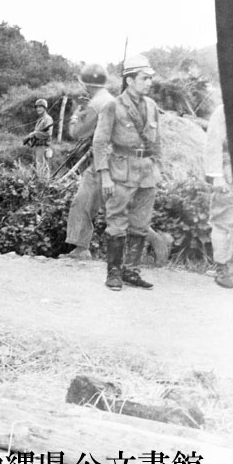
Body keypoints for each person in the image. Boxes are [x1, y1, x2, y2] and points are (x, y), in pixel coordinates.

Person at [93, 53, 161, 290]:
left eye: (150, 78)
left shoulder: (152, 106)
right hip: (120, 170)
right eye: (144, 78)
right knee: (116, 222)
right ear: (130, 80)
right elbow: (100, 143)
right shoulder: (113, 105)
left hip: (146, 173)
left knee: (141, 224)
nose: (149, 82)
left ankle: (131, 270)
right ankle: (113, 272)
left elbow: (156, 141)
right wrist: (104, 175)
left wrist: (157, 167)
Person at [63, 64, 116, 260]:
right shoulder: (110, 98)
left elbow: (77, 132)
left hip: (102, 160)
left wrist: (77, 114)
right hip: (116, 159)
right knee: (119, 206)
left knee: (82, 201)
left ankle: (81, 248)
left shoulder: (95, 104)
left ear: (86, 84)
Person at [204, 104, 233, 289]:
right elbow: (213, 143)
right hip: (229, 172)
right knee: (222, 222)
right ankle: (222, 267)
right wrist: (217, 176)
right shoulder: (224, 110)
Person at [25, 99, 53, 178]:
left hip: (43, 147)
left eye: (40, 107)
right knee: (36, 168)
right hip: (37, 147)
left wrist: (35, 134)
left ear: (45, 108)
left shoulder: (48, 119)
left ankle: (43, 185)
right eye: (37, 107)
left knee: (42, 169)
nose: (38, 109)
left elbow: (48, 133)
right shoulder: (40, 120)